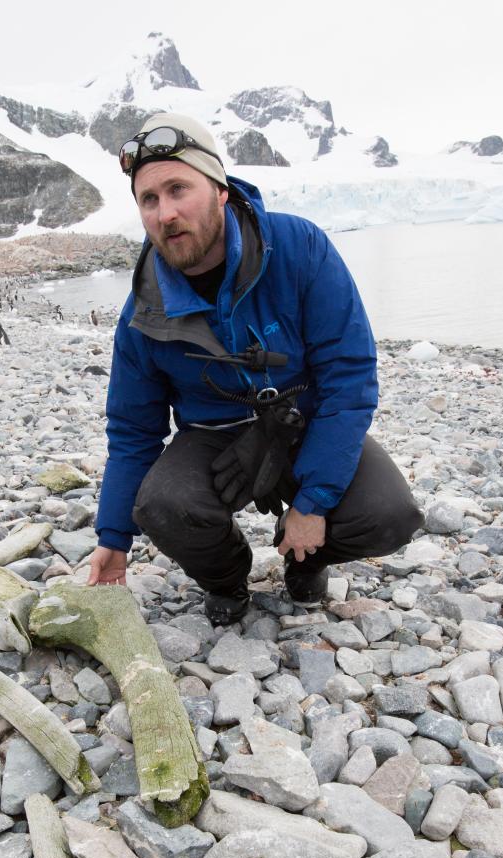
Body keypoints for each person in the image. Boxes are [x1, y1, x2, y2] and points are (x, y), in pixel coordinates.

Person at [87, 113, 423, 624]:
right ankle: (227, 577)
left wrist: (312, 504)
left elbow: (348, 376)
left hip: (302, 421)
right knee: (162, 505)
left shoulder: (299, 247)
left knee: (388, 515)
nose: (165, 213)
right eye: (148, 199)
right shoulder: (142, 312)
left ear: (220, 189)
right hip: (214, 437)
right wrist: (113, 538)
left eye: (179, 189)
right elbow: (134, 431)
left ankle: (305, 557)